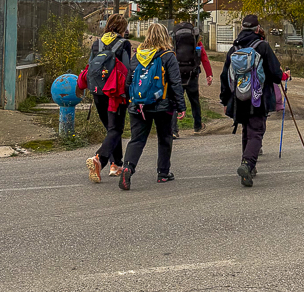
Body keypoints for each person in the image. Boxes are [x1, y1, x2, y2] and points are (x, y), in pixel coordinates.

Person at [219, 13, 286, 188]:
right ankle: (247, 164)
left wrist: (225, 100)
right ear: (257, 29)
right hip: (258, 97)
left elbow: (224, 76)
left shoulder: (234, 49)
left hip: (238, 98)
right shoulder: (262, 46)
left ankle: (249, 165)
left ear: (242, 28)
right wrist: (283, 75)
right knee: (256, 131)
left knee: (246, 130)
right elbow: (275, 74)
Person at [118, 22, 186, 190]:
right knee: (165, 138)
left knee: (137, 139)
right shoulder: (168, 56)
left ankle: (128, 167)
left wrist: (130, 101)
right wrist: (181, 106)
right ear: (165, 36)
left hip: (138, 105)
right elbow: (176, 83)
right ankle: (163, 173)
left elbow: (128, 82)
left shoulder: (138, 56)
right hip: (163, 105)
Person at [83, 12, 132, 182]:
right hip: (115, 93)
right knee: (116, 129)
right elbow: (126, 69)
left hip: (97, 92)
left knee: (111, 129)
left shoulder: (97, 43)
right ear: (122, 28)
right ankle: (99, 159)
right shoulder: (124, 44)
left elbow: (89, 67)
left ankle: (116, 165)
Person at [171, 21, 213, 138]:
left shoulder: (174, 41)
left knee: (175, 101)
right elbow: (203, 56)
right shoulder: (196, 40)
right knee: (194, 100)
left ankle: (173, 130)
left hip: (177, 74)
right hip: (192, 74)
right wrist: (209, 74)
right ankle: (197, 126)